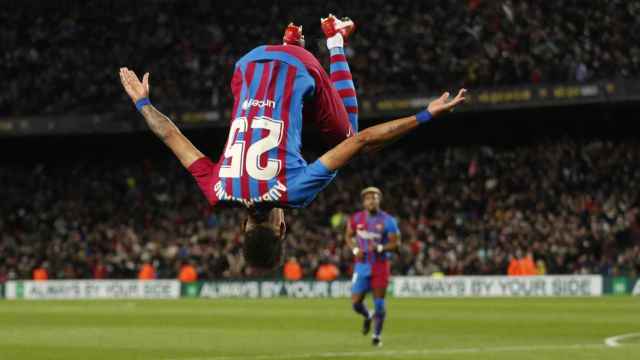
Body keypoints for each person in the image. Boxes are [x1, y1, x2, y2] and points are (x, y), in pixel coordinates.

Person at [119, 15, 466, 272]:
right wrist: (142, 103)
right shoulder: (217, 189)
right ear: (242, 226)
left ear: (282, 228)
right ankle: (290, 41)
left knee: (347, 137)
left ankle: (335, 38)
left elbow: (362, 141)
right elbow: (170, 135)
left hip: (301, 67)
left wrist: (426, 115)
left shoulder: (293, 191)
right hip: (246, 65)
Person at [345, 187, 400, 347]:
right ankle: (368, 316)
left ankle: (376, 336)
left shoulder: (388, 220)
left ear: (379, 200)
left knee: (379, 304)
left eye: (375, 198)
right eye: (369, 198)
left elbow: (396, 244)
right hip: (361, 266)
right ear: (364, 202)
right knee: (356, 303)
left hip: (380, 266)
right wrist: (355, 250)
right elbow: (348, 236)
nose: (372, 201)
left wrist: (380, 248)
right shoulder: (356, 219)